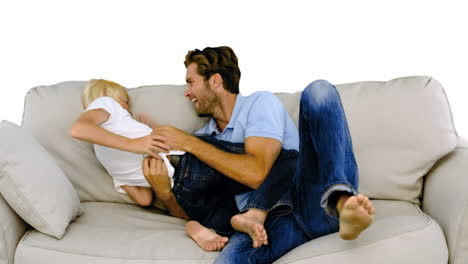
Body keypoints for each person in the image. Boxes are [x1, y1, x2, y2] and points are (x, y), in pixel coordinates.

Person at [145, 46, 375, 263]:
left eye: (190, 82)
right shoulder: (203, 137)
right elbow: (196, 211)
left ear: (215, 80)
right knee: (229, 260)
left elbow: (257, 172)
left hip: (313, 199)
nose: (187, 92)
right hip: (265, 227)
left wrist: (188, 142)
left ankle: (341, 202)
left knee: (319, 91)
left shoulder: (258, 103)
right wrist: (165, 194)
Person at [70, 79, 296, 251]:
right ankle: (254, 213)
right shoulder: (107, 104)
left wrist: (146, 133)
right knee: (288, 158)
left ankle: (198, 226)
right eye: (126, 102)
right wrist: (135, 143)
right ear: (109, 96)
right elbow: (79, 129)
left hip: (183, 194)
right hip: (190, 164)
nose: (127, 109)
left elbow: (144, 199)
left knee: (228, 212)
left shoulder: (106, 159)